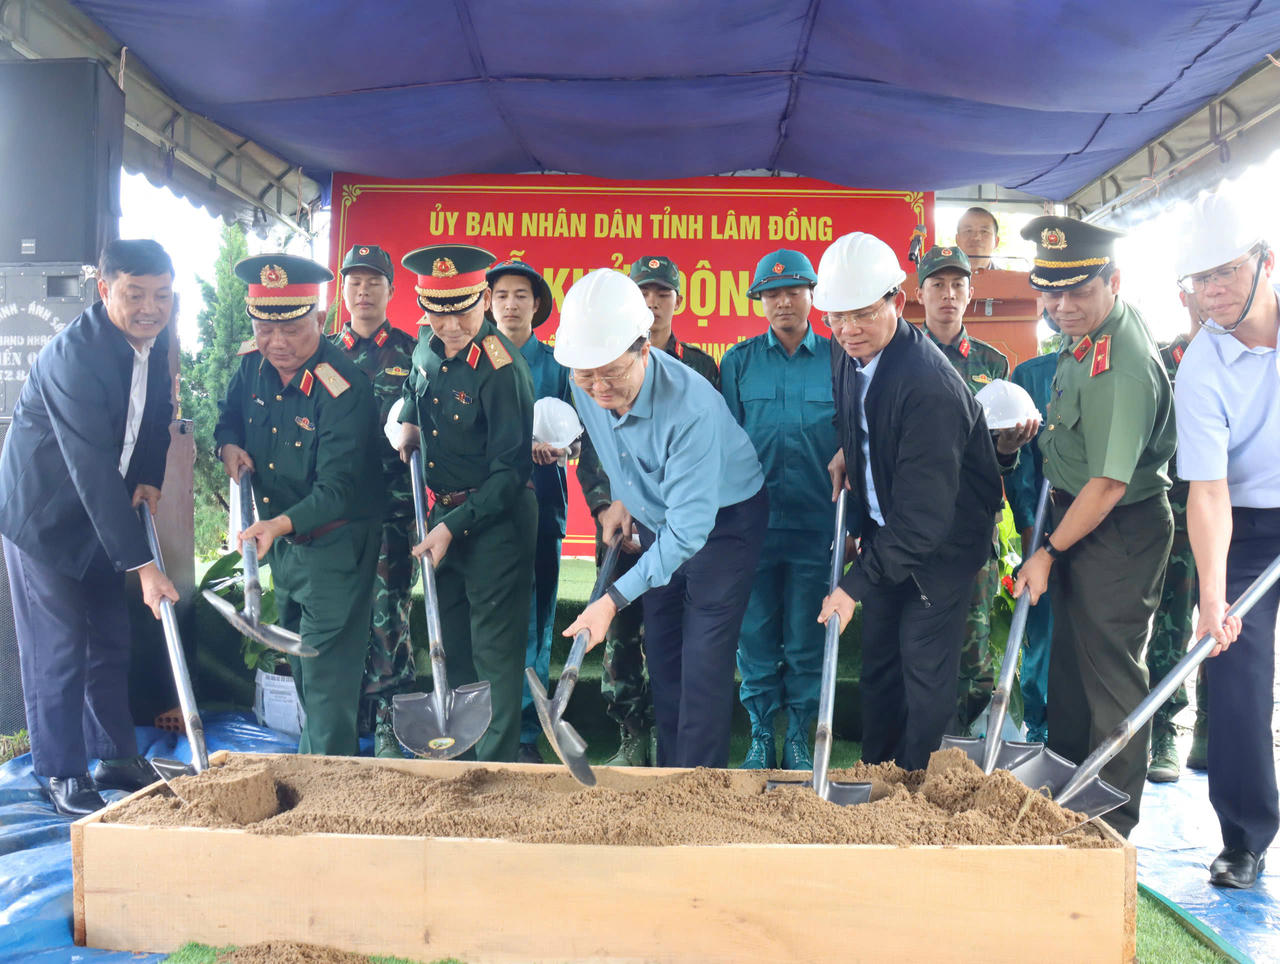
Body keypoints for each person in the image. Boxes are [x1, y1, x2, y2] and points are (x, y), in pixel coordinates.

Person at [558, 269, 767, 768]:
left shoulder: (691, 407)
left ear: (644, 350)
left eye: (611, 373)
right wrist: (624, 497)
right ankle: (671, 776)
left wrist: (611, 601)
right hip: (657, 515)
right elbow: (618, 446)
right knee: (664, 647)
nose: (598, 387)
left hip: (724, 523)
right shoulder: (584, 381)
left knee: (703, 660)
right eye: (586, 375)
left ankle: (698, 788)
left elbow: (688, 533)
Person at [0, 239, 180, 816]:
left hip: (103, 513)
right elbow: (92, 468)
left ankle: (115, 757)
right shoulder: (73, 358)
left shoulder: (155, 338)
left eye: (162, 295)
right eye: (135, 294)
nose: (150, 308)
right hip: (44, 517)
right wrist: (145, 567)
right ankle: (61, 772)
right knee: (57, 648)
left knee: (109, 639)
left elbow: (157, 411)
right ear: (104, 290)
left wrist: (149, 475)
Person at [814, 232, 1004, 772]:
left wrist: (853, 586)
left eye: (863, 314)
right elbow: (853, 413)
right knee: (880, 665)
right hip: (888, 530)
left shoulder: (928, 386)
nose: (848, 329)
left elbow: (925, 521)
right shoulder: (846, 347)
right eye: (837, 316)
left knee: (922, 668)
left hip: (941, 545)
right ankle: (876, 777)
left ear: (897, 302)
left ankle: (918, 789)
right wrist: (852, 456)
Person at [1013, 216, 1175, 838]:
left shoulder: (1120, 362)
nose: (1063, 307)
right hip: (1077, 519)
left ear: (1114, 281)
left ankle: (1111, 824)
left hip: (1116, 529)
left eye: (1078, 291)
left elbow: (1108, 485)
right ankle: (1067, 801)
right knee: (1070, 673)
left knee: (1110, 678)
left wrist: (1048, 551)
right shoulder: (1086, 333)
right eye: (1051, 294)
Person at [216, 254, 383, 757]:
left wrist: (275, 526)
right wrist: (227, 447)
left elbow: (339, 489)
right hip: (285, 547)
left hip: (336, 544)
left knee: (327, 683)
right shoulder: (252, 367)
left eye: (290, 328)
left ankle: (328, 787)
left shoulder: (343, 386)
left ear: (320, 318)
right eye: (264, 329)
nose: (277, 343)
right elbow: (228, 417)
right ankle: (322, 774)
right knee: (304, 674)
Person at [1172, 190, 1280, 889]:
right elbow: (1208, 493)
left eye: (1227, 272)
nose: (1212, 290)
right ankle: (1244, 837)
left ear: (1265, 263)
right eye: (1200, 278)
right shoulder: (1200, 366)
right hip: (1244, 524)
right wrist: (1213, 599)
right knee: (1234, 667)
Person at [576, 254, 722, 766]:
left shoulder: (699, 367)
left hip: (677, 526)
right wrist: (608, 504)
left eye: (663, 294)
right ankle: (632, 733)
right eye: (644, 294)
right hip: (621, 524)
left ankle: (671, 734)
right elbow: (594, 449)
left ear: (678, 301)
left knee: (673, 634)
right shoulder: (598, 362)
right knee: (619, 631)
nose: (653, 303)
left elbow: (703, 451)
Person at [396, 244, 536, 763]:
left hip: (496, 522)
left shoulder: (501, 368)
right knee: (449, 642)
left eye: (462, 310)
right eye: (438, 311)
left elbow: (510, 474)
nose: (450, 325)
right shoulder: (426, 344)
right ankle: (457, 763)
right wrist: (407, 421)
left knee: (493, 656)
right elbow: (415, 383)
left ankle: (495, 772)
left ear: (482, 300)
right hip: (444, 517)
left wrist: (452, 526)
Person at [719, 248, 836, 770]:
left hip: (817, 525)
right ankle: (762, 734)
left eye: (793, 291)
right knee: (756, 638)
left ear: (812, 296)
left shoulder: (839, 360)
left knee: (807, 639)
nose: (783, 302)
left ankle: (799, 738)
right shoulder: (739, 363)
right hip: (754, 528)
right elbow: (722, 446)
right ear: (760, 301)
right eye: (772, 294)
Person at [913, 244, 1034, 735]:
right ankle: (922, 744)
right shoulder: (901, 354)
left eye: (957, 285)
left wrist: (1008, 450)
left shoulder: (992, 363)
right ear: (920, 293)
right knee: (919, 641)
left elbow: (1000, 460)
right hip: (915, 526)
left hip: (972, 527)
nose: (948, 294)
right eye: (938, 285)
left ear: (969, 293)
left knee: (974, 646)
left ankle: (971, 748)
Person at [331, 244, 417, 758]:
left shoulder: (413, 355)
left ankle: (388, 723)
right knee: (339, 618)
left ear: (391, 290)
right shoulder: (322, 355)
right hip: (335, 517)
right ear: (343, 290)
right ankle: (339, 721)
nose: (363, 291)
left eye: (373, 282)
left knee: (390, 619)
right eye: (354, 282)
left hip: (392, 513)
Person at [484, 257, 572, 765]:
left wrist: (560, 448)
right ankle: (489, 721)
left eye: (521, 295)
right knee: (491, 615)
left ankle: (528, 730)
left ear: (537, 305)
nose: (511, 304)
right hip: (486, 512)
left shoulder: (558, 366)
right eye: (501, 295)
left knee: (538, 620)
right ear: (488, 303)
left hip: (542, 505)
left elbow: (581, 438)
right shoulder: (474, 359)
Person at [1145, 293, 1203, 783]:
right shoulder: (1161, 363)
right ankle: (1164, 729)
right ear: (1186, 297)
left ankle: (1212, 728)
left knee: (1234, 625)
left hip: (1239, 521)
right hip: (1177, 525)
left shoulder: (1252, 360)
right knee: (1171, 629)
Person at [1006, 304, 1060, 745]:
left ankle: (1079, 734)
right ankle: (1038, 730)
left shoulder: (1117, 364)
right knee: (1041, 629)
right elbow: (1021, 464)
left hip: (1105, 528)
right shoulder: (1032, 375)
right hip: (1045, 524)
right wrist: (1028, 528)